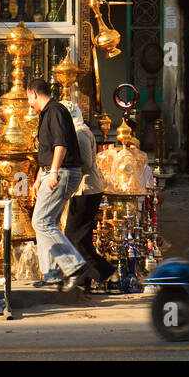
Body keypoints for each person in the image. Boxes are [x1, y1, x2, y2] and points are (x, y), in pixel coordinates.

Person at [27, 78, 92, 291]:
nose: (29, 102)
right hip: (52, 171)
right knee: (47, 222)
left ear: (33, 93)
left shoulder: (56, 111)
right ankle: (52, 274)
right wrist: (39, 178)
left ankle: (75, 266)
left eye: (28, 97)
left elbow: (60, 145)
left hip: (62, 172)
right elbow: (46, 150)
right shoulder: (47, 113)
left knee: (41, 221)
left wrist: (53, 172)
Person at [62, 99, 115, 286]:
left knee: (74, 235)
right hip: (84, 190)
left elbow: (85, 162)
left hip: (86, 189)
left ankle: (102, 270)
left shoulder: (80, 133)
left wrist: (63, 164)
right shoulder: (77, 132)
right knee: (79, 237)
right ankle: (88, 276)